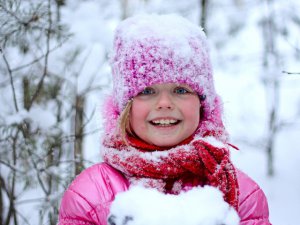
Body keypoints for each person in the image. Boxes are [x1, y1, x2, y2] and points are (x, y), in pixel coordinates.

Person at [58, 14, 271, 225]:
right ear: (125, 108)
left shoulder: (240, 192)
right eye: (147, 91)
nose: (164, 103)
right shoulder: (92, 193)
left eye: (180, 89)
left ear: (202, 104)